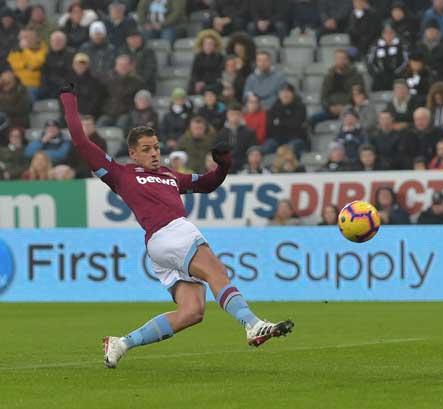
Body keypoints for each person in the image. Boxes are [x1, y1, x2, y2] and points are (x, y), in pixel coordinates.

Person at [59, 84, 293, 369]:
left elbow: (207, 184)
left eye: (156, 147)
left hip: (162, 246)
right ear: (133, 153)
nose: (154, 154)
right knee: (216, 270)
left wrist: (223, 165)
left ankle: (121, 343)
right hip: (170, 233)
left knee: (192, 311)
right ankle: (252, 324)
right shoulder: (121, 174)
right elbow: (82, 142)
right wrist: (68, 99)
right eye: (146, 150)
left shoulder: (171, 176)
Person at [98, 54, 145, 131]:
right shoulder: (107, 79)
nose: (123, 67)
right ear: (116, 66)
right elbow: (101, 97)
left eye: (125, 65)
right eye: (120, 65)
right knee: (100, 124)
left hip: (126, 113)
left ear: (130, 66)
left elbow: (139, 99)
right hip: (108, 112)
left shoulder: (137, 82)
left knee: (121, 126)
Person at [266, 82, 307, 156]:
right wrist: (286, 122)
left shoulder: (299, 107)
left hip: (295, 139)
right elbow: (270, 126)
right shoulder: (274, 107)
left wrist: (279, 122)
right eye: (282, 92)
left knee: (289, 150)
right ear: (279, 94)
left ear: (292, 94)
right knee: (264, 148)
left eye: (288, 92)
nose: (285, 94)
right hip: (277, 139)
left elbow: (296, 126)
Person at [7, 29, 47, 101]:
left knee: (28, 92)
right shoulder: (17, 49)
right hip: (17, 82)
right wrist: (25, 65)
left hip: (33, 84)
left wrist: (26, 50)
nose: (24, 40)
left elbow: (35, 63)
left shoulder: (43, 48)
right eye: (22, 37)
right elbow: (12, 63)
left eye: (27, 37)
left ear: (36, 38)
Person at [367, 23, 408, 91]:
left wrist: (396, 73)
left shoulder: (401, 45)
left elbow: (405, 61)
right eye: (386, 33)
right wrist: (377, 73)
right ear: (382, 34)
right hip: (379, 77)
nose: (388, 35)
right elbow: (370, 61)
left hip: (396, 76)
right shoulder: (376, 45)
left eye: (391, 33)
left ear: (395, 34)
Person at [217, 102, 256, 172]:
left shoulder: (249, 133)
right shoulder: (221, 133)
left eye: (237, 114)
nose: (235, 117)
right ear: (227, 115)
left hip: (244, 166)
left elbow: (251, 151)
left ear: (241, 115)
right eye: (232, 114)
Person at [67, 52, 106, 119]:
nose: (80, 66)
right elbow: (63, 100)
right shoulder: (67, 81)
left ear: (87, 65)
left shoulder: (95, 82)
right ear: (73, 65)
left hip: (89, 116)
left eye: (83, 64)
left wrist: (84, 115)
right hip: (70, 116)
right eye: (77, 64)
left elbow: (96, 101)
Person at [39, 31, 74, 100]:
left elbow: (71, 75)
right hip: (50, 86)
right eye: (53, 40)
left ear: (65, 42)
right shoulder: (47, 55)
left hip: (64, 86)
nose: (56, 43)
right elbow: (44, 73)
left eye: (59, 40)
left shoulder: (71, 55)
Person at [122, 29, 158, 94]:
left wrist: (136, 81)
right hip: (126, 86)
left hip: (144, 86)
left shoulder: (148, 52)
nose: (136, 40)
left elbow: (149, 72)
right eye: (132, 38)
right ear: (127, 40)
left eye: (138, 38)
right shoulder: (123, 52)